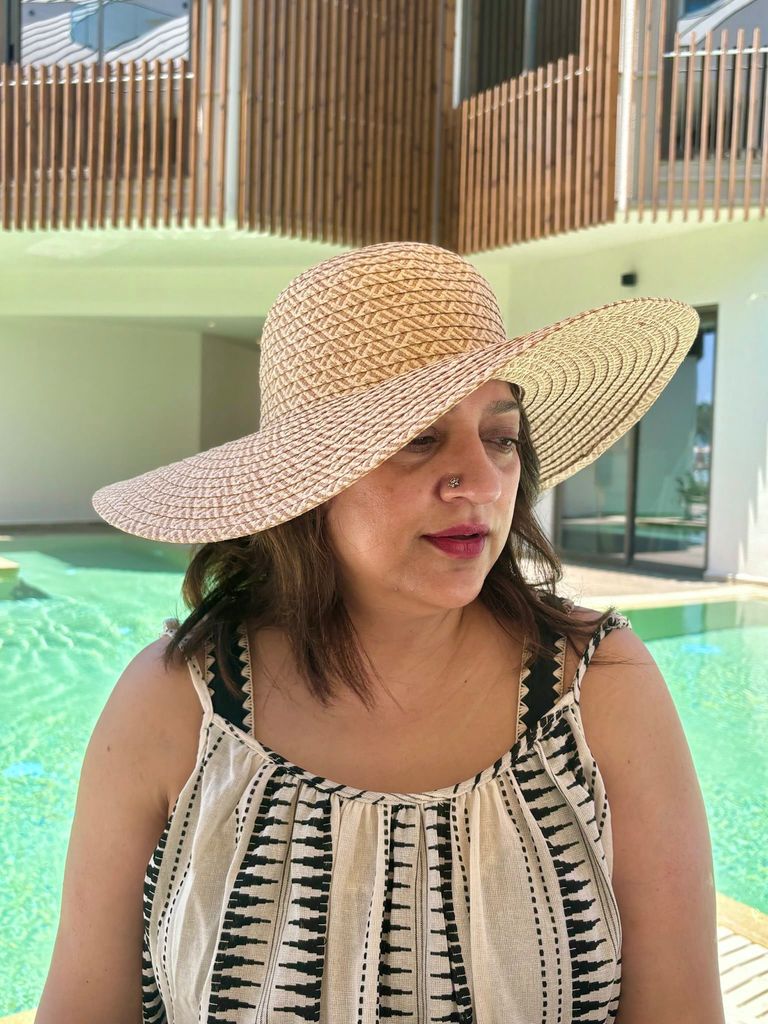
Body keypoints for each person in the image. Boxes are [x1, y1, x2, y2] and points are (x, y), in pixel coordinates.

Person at [36, 242, 724, 1024]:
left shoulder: (600, 688)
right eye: (420, 437)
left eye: (499, 436)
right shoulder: (174, 707)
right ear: (310, 483)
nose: (481, 478)